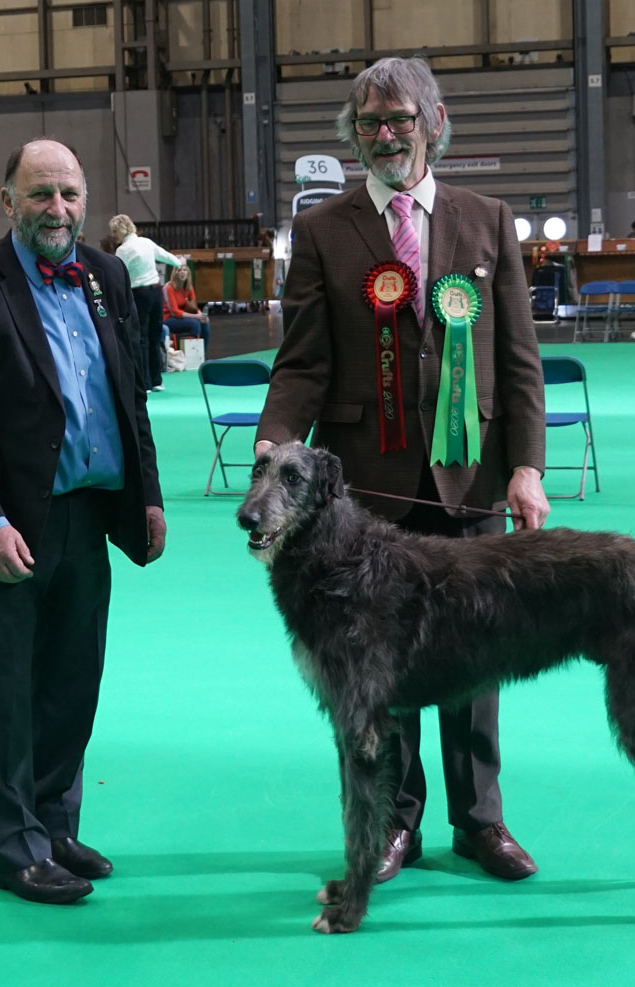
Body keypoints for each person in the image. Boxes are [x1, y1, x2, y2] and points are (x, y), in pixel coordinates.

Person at [254, 56, 548, 885]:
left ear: (434, 120)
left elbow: (519, 362)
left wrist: (525, 466)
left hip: (474, 477)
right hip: (367, 492)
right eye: (370, 123)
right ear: (354, 134)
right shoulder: (321, 232)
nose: (386, 136)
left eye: (400, 120)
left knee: (478, 655)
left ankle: (481, 823)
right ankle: (393, 824)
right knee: (375, 667)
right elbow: (303, 360)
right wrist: (277, 441)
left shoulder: (488, 221)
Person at [0, 138, 166, 905]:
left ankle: (53, 824)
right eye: (42, 194)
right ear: (8, 200)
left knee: (71, 684)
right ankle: (13, 847)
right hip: (7, 526)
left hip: (88, 513)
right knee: (5, 693)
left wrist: (146, 494)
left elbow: (128, 395)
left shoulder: (106, 274)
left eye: (70, 195)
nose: (58, 210)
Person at [109, 213, 181, 390]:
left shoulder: (122, 251)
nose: (113, 235)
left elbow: (119, 274)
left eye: (114, 231)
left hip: (138, 294)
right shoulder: (147, 243)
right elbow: (168, 258)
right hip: (156, 292)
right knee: (155, 337)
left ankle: (145, 383)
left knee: (140, 338)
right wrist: (180, 262)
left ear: (120, 230)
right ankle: (157, 381)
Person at [162, 259, 211, 357]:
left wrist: (201, 315)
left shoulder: (189, 287)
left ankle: (202, 354)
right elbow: (175, 311)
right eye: (179, 270)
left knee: (204, 323)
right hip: (168, 318)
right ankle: (192, 355)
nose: (182, 272)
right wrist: (195, 316)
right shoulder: (169, 288)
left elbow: (193, 306)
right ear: (174, 273)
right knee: (194, 324)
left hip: (184, 316)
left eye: (184, 270)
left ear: (188, 272)